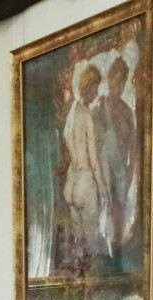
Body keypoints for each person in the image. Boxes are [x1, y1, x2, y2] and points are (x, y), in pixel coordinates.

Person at [62, 63, 108, 254]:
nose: (97, 92)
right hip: (85, 184)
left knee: (78, 246)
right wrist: (104, 190)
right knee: (92, 243)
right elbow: (94, 160)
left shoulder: (73, 111)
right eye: (95, 87)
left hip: (70, 184)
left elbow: (68, 141)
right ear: (88, 86)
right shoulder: (88, 117)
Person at [95, 56, 137, 258]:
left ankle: (117, 249)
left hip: (121, 169)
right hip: (103, 166)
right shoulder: (100, 106)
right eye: (116, 81)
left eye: (123, 83)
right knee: (104, 206)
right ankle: (102, 250)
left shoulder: (127, 112)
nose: (119, 87)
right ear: (110, 79)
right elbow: (95, 141)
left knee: (119, 208)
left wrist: (130, 171)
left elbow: (134, 147)